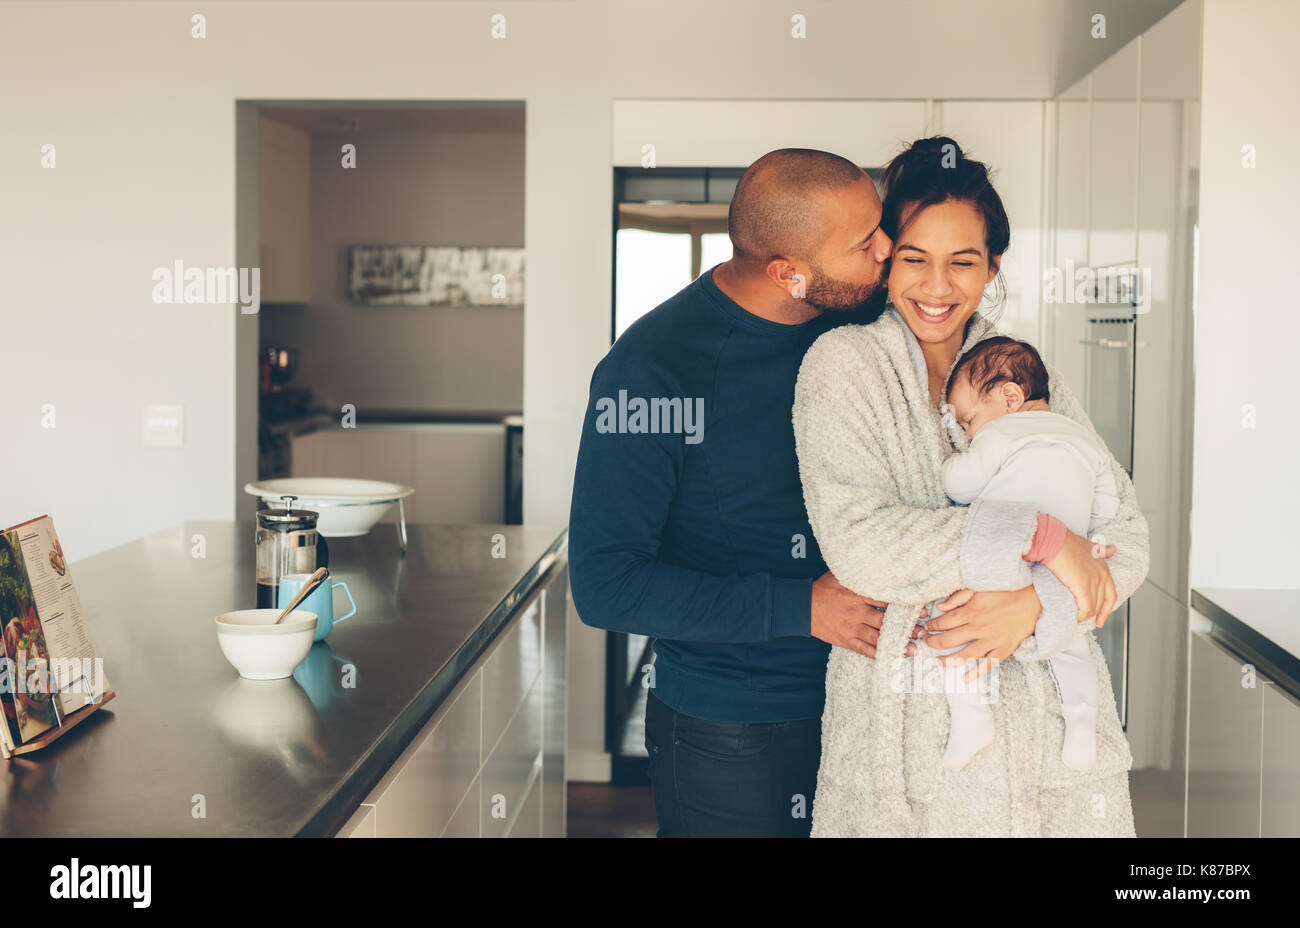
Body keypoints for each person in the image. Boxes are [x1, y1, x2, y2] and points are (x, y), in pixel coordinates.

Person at [793, 136, 1148, 837]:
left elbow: (1127, 541)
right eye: (915, 259)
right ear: (885, 259)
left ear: (992, 268)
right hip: (909, 744)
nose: (936, 286)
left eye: (963, 262)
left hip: (1054, 744)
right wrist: (1048, 541)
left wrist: (1037, 602)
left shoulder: (1022, 376)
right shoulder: (841, 367)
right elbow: (863, 544)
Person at [568, 148, 898, 837]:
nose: (887, 251)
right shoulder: (649, 371)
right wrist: (800, 606)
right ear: (790, 273)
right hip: (736, 730)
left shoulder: (855, 323)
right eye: (865, 243)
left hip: (874, 702)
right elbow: (604, 584)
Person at [919, 335, 1120, 772]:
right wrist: (1096, 547)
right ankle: (1082, 724)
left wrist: (955, 456)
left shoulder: (1000, 434)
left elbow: (959, 486)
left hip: (1006, 549)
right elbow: (1108, 505)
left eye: (968, 420)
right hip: (1064, 567)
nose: (968, 430)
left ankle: (972, 717)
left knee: (947, 617)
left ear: (1009, 397)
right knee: (1071, 644)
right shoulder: (1086, 439)